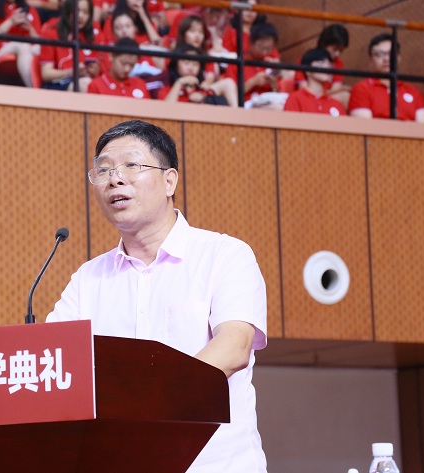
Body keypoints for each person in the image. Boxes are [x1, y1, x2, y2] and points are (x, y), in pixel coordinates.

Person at [46, 120, 268, 473]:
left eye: (131, 165)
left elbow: (234, 347)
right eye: (103, 170)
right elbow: (53, 362)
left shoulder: (224, 255)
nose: (115, 179)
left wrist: (148, 405)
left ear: (169, 181)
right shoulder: (89, 278)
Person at [348, 33, 424, 122]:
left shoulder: (413, 92)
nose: (386, 59)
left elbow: (423, 126)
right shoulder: (361, 89)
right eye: (379, 55)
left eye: (391, 54)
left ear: (399, 57)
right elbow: (364, 126)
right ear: (371, 59)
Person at [173, 14, 238, 107]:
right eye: (192, 31)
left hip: (202, 92)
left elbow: (208, 82)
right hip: (178, 91)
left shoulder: (208, 58)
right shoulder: (173, 54)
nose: (197, 36)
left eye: (201, 32)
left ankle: (237, 114)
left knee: (229, 83)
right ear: (183, 33)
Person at [39, 0, 104, 91]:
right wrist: (71, 72)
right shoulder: (51, 33)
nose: (80, 16)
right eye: (77, 10)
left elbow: (104, 71)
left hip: (86, 81)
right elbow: (46, 74)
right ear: (68, 10)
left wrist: (95, 72)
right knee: (85, 84)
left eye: (85, 12)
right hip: (58, 84)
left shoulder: (94, 34)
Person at [0, 0, 41, 87]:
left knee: (36, 50)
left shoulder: (30, 10)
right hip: (0, 51)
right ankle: (35, 89)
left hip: (28, 51)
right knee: (23, 46)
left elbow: (41, 44)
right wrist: (11, 21)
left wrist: (30, 29)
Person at [158, 44, 233, 106]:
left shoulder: (203, 90)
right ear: (175, 65)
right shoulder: (166, 90)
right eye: (186, 63)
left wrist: (204, 97)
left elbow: (228, 84)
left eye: (195, 64)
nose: (191, 68)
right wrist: (179, 82)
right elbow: (167, 111)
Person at [294, 23, 349, 106]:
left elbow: (336, 89)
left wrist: (339, 90)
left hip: (327, 99)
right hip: (307, 100)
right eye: (334, 49)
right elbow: (303, 89)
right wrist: (342, 88)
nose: (337, 53)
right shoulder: (305, 60)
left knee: (345, 96)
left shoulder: (338, 64)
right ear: (324, 44)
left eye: (341, 50)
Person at [284, 48, 344, 116]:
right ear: (307, 70)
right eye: (321, 63)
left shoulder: (337, 105)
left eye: (329, 64)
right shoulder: (295, 99)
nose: (327, 67)